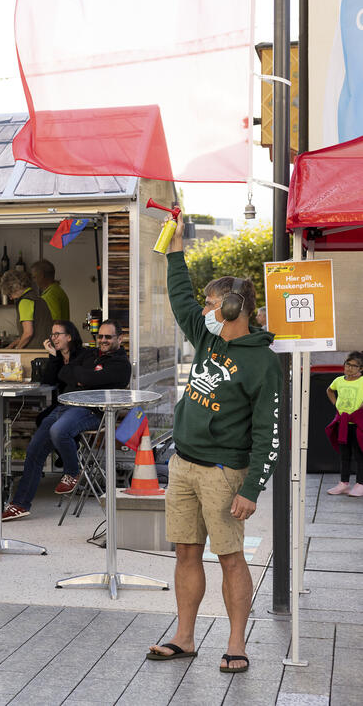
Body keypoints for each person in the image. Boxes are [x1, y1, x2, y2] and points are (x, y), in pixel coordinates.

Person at [147, 223, 281, 675]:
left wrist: (254, 489)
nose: (203, 310)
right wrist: (176, 250)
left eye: (211, 303)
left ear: (230, 307)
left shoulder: (262, 362)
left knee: (229, 557)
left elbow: (269, 431)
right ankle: (184, 638)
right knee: (186, 551)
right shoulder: (207, 338)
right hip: (183, 465)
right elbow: (180, 296)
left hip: (225, 472)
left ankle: (237, 643)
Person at [3, 319, 131, 520]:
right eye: (100, 336)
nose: (103, 340)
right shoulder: (90, 354)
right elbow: (66, 372)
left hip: (92, 412)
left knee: (58, 431)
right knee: (34, 450)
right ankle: (20, 504)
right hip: (65, 407)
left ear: (120, 338)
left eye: (108, 337)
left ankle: (72, 471)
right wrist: (82, 376)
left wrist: (83, 376)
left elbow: (87, 378)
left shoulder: (121, 365)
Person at [325, 351, 363, 496]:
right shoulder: (339, 380)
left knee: (360, 454)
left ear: (361, 369)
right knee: (344, 454)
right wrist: (336, 404)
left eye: (355, 366)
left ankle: (360, 483)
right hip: (343, 423)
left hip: (358, 423)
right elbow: (329, 390)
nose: (350, 368)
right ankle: (343, 483)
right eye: (348, 364)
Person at [2, 269, 54, 349]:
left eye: (10, 294)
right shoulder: (38, 299)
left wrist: (16, 350)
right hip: (47, 350)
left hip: (34, 352)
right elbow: (34, 330)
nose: (11, 298)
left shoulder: (25, 301)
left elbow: (28, 333)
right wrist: (12, 345)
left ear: (16, 288)